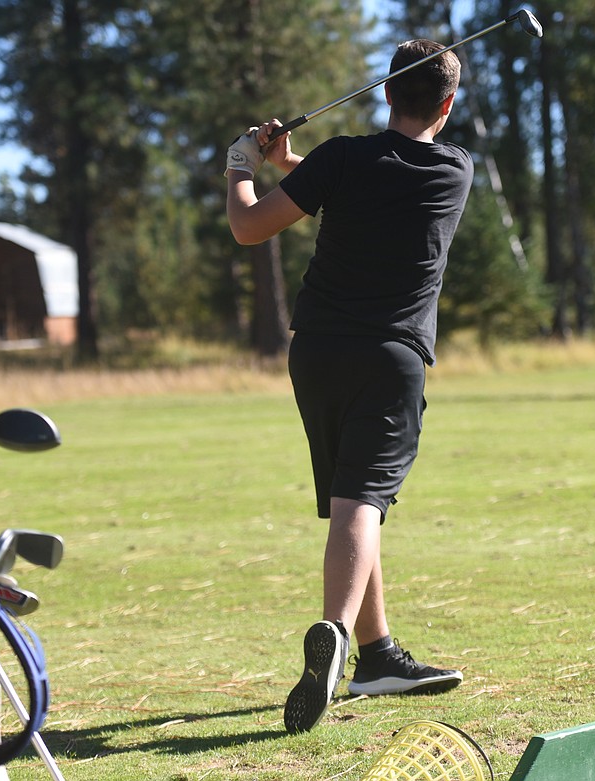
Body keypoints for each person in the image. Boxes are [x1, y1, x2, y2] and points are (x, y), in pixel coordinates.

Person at [224, 39, 473, 735]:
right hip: (389, 356)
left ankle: (377, 655)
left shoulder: (339, 159)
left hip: (318, 353)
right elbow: (374, 185)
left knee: (352, 503)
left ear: (386, 93)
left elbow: (250, 225)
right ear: (446, 106)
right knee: (362, 500)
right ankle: (335, 631)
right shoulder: (456, 168)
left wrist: (244, 166)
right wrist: (286, 167)